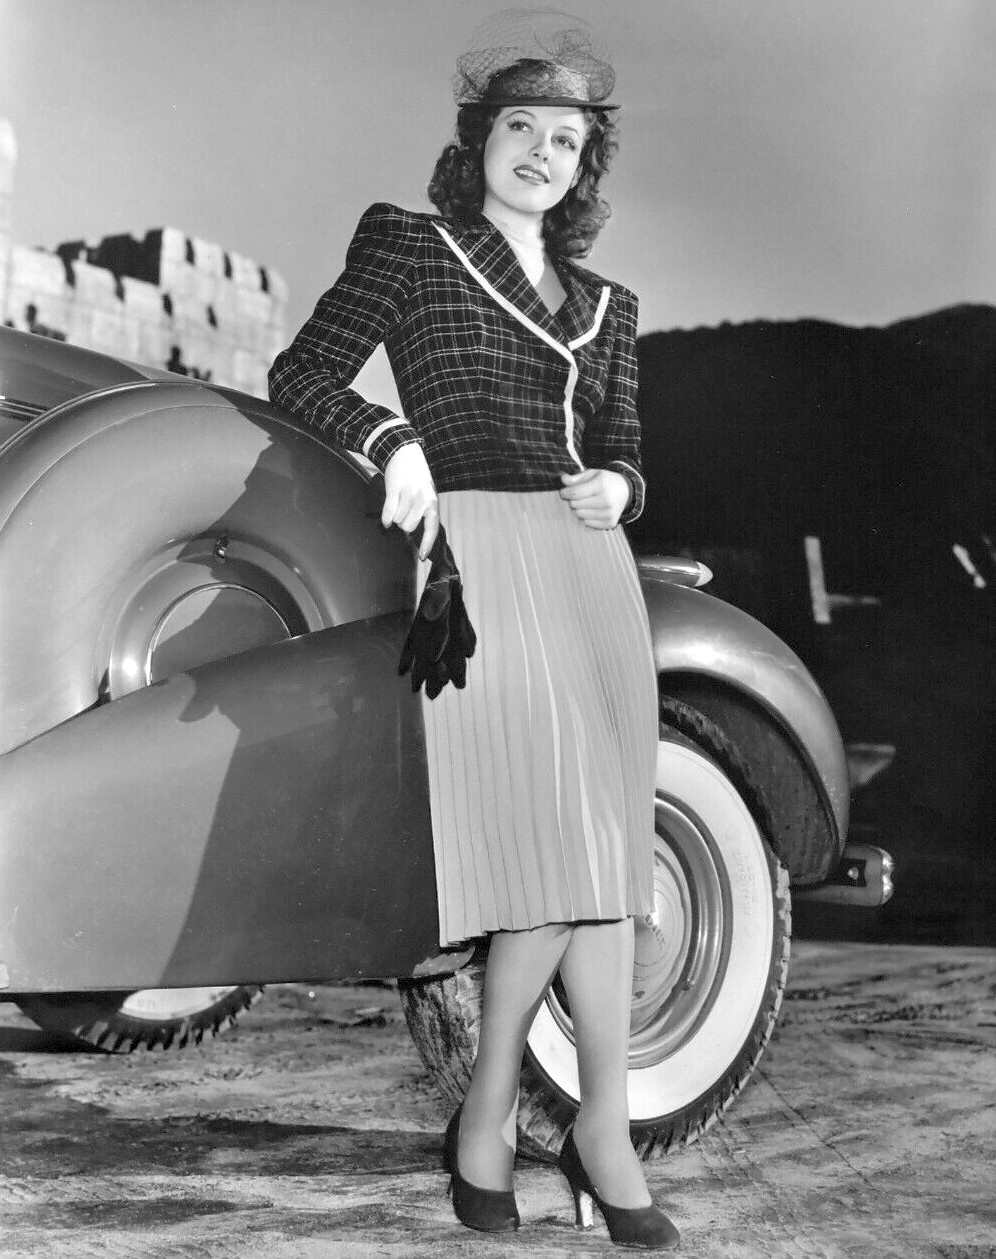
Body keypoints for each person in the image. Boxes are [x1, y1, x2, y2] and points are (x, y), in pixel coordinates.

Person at [269, 10, 679, 1251]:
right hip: (483, 565)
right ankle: (518, 1118)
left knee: (602, 873)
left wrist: (622, 487)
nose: (542, 153)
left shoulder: (610, 304)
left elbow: (624, 446)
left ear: (583, 168)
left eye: (566, 141)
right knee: (549, 869)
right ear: (479, 139)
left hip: (593, 574)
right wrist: (392, 439)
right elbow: (304, 373)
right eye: (522, 127)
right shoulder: (411, 244)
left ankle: (576, 1126)